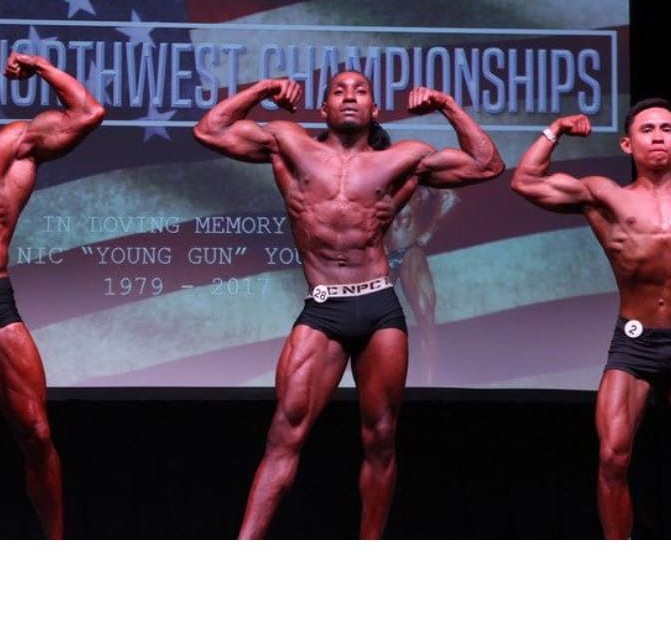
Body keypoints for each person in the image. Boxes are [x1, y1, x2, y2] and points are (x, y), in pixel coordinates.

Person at [194, 70, 504, 538]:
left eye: (360, 91)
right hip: (323, 309)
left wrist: (445, 103)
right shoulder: (290, 145)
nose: (350, 97)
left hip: (379, 306)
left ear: (374, 109)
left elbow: (486, 165)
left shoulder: (405, 158)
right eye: (339, 91)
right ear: (324, 109)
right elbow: (209, 130)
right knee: (285, 433)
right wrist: (263, 90)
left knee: (379, 440)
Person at [0, 50, 105, 538]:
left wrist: (40, 67)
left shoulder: (13, 145)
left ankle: (53, 551)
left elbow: (88, 113)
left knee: (35, 432)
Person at [511, 100, 671, 539]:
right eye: (648, 129)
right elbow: (525, 182)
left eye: (667, 128)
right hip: (635, 342)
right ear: (627, 143)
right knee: (612, 457)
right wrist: (555, 130)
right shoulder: (605, 195)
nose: (658, 136)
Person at [385, 186, 458, 382]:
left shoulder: (416, 183)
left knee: (425, 318)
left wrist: (429, 230)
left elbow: (450, 196)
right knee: (372, 320)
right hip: (384, 254)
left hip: (410, 251)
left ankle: (430, 383)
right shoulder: (380, 180)